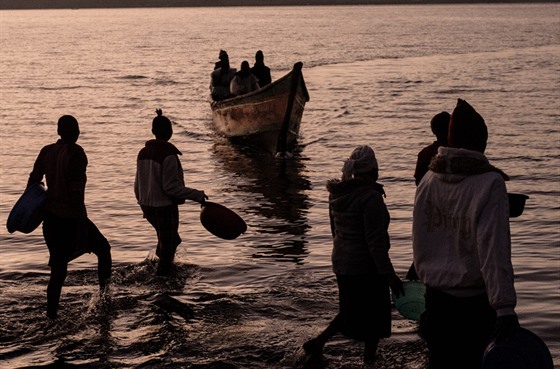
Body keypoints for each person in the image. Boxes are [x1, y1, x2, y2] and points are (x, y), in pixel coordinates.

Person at [412, 99, 519, 369]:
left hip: (435, 302)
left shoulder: (428, 180)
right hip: (474, 307)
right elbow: (493, 249)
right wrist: (504, 307)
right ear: (479, 141)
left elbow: (422, 239)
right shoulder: (489, 183)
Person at [302, 145, 404, 365]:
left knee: (350, 310)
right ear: (374, 171)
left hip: (342, 263)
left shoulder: (337, 195)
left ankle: (319, 342)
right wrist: (389, 275)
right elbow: (375, 243)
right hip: (366, 266)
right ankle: (368, 361)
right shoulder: (371, 199)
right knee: (374, 317)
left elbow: (334, 232)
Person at [27, 115, 112, 319]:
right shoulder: (76, 153)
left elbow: (33, 182)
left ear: (58, 132)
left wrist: (33, 209)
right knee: (103, 249)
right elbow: (76, 193)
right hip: (71, 219)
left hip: (51, 221)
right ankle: (105, 300)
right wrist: (81, 224)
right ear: (76, 132)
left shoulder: (46, 151)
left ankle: (51, 316)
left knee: (58, 271)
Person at [134, 109, 208, 276]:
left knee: (169, 240)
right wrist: (197, 195)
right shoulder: (169, 155)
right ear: (171, 132)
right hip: (164, 207)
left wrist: (142, 202)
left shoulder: (142, 153)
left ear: (153, 132)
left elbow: (137, 184)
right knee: (169, 246)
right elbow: (170, 188)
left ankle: (160, 270)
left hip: (147, 206)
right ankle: (162, 279)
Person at [406, 111, 450, 280]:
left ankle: (414, 280)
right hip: (447, 210)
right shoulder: (452, 152)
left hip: (428, 210)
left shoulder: (425, 154)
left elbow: (419, 183)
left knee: (428, 249)